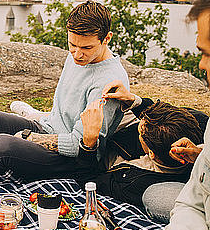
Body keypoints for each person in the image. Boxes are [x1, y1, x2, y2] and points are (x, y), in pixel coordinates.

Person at [71, 0, 210, 230]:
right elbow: (194, 200)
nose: (202, 64)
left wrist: (89, 142)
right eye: (202, 52)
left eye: (209, 54)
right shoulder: (203, 128)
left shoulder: (141, 185)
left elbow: (88, 181)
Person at [0, 0, 129, 181]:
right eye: (72, 45)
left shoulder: (109, 82)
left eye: (86, 48)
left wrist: (31, 139)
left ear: (107, 39)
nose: (77, 54)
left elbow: (80, 144)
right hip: (47, 128)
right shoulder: (78, 56)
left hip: (70, 159)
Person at [77, 88, 204, 222]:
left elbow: (89, 182)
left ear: (151, 153)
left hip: (102, 157)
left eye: (140, 133)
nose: (139, 126)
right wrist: (134, 101)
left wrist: (89, 142)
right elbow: (163, 118)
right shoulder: (198, 123)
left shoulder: (134, 183)